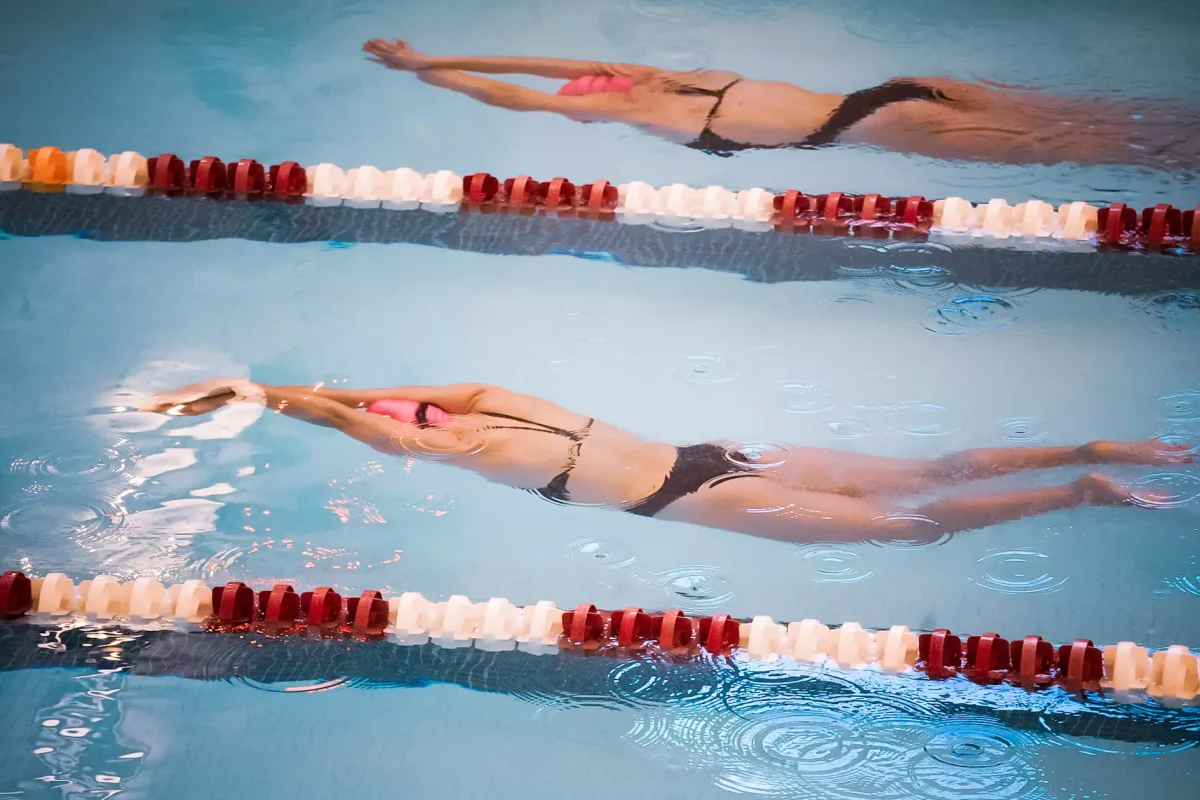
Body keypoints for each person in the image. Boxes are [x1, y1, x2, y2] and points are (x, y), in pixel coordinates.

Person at [141, 378, 1190, 544]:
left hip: (691, 486)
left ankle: (1087, 477)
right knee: (920, 486)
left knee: (914, 521)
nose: (401, 416)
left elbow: (352, 416)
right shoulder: (484, 402)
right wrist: (269, 391)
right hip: (710, 454)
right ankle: (1087, 464)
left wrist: (257, 393)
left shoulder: (466, 426)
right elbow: (358, 406)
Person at [362, 39, 1197, 169]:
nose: (569, 93)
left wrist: (430, 68)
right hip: (897, 93)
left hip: (878, 117)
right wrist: (430, 62)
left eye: (573, 95)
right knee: (1102, 123)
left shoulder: (643, 100)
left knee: (1102, 146)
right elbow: (525, 80)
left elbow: (520, 84)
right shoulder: (649, 86)